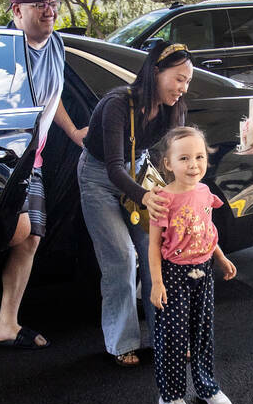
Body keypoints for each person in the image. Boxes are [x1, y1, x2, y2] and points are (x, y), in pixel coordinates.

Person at [78, 40, 194, 367]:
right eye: (179, 79)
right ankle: (122, 343)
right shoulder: (118, 103)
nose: (183, 88)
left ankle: (167, 338)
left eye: (188, 82)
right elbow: (114, 167)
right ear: (156, 72)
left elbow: (171, 155)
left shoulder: (173, 108)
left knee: (156, 254)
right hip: (99, 176)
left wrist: (182, 192)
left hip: (140, 174)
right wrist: (148, 198)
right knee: (122, 259)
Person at [0, 0, 87, 350]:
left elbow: (54, 96)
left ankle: (6, 324)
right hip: (1, 160)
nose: (49, 11)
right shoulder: (4, 51)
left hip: (34, 160)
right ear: (17, 11)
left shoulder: (56, 44)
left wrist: (74, 131)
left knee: (30, 237)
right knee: (16, 231)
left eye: (52, 4)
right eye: (39, 5)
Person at [148, 127, 237, 404]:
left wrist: (221, 258)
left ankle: (206, 387)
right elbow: (153, 246)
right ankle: (171, 395)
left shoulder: (204, 193)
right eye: (184, 158)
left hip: (204, 271)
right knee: (173, 337)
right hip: (173, 274)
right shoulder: (162, 199)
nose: (194, 164)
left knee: (202, 334)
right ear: (168, 163)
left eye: (199, 157)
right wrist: (157, 283)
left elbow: (206, 233)